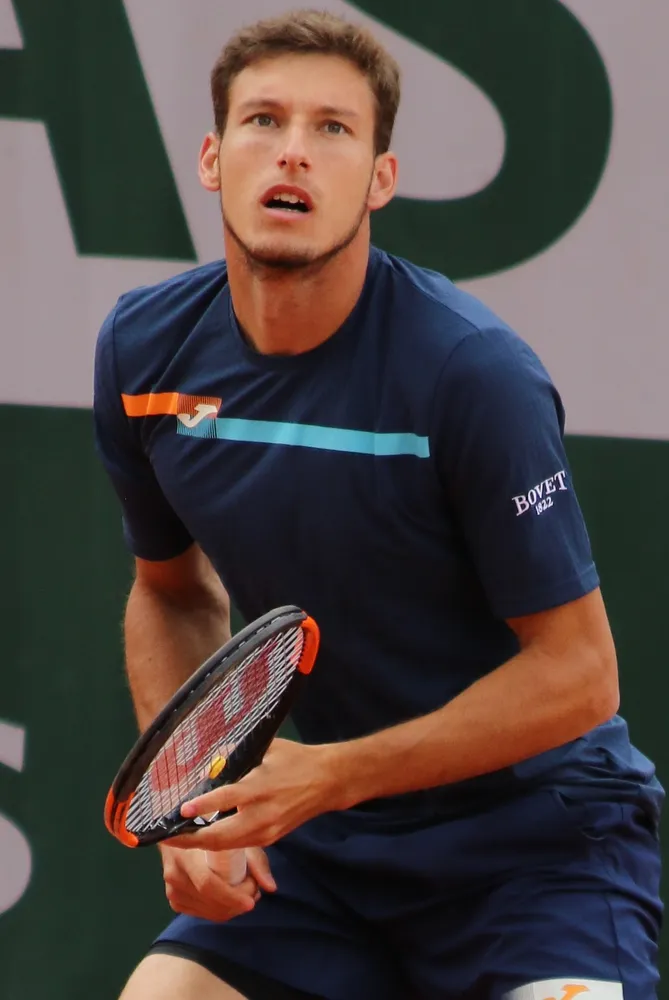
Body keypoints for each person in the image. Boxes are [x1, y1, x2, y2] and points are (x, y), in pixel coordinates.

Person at [93, 9, 662, 1000]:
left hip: (534, 848)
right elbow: (171, 592)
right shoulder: (144, 353)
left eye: (333, 128)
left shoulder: (471, 374)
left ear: (380, 179)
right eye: (264, 120)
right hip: (320, 855)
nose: (294, 152)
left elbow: (580, 676)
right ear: (212, 159)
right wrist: (188, 793)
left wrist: (330, 774)